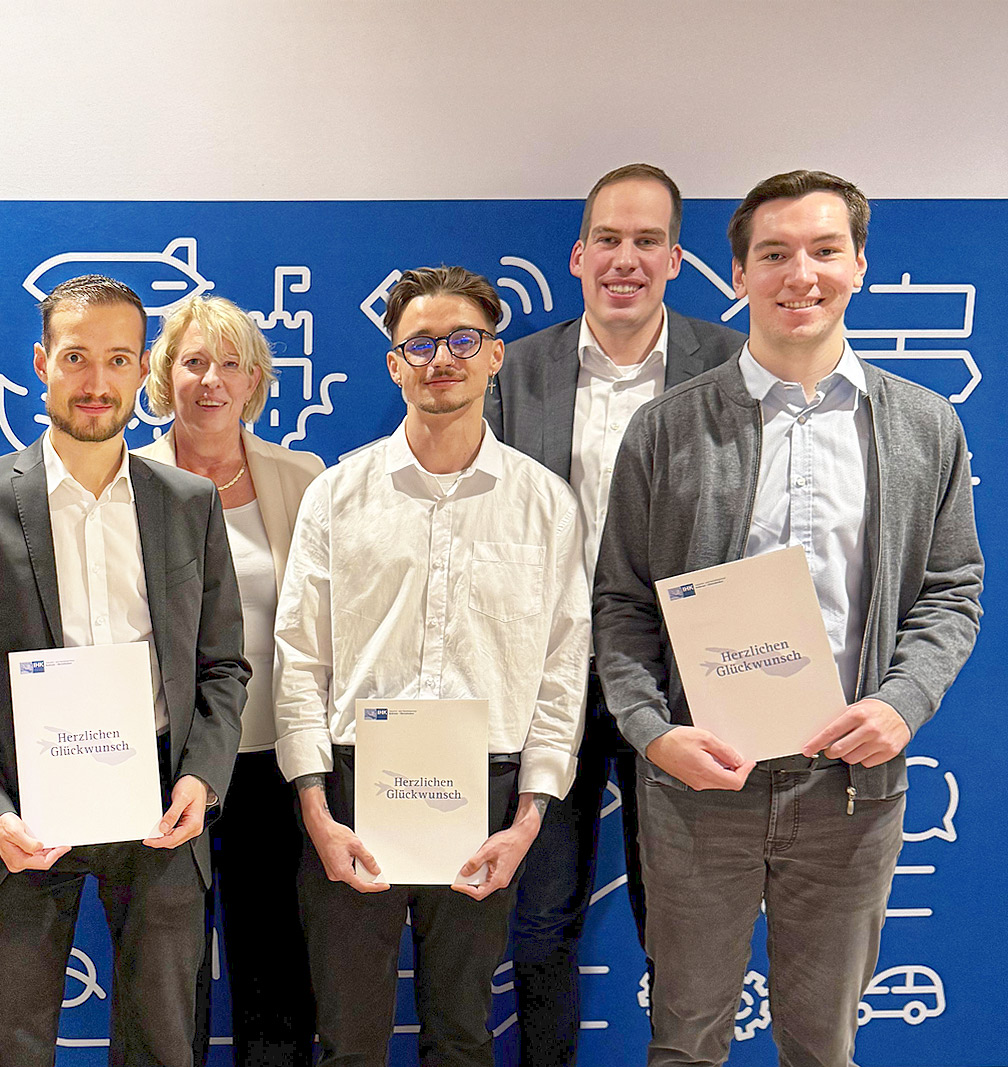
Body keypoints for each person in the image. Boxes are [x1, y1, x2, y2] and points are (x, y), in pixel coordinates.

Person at [594, 170, 983, 1066]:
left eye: (824, 250)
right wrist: (654, 731)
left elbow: (952, 591)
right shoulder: (665, 429)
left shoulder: (924, 426)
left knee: (822, 1046)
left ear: (859, 265)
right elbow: (621, 603)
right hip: (701, 784)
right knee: (685, 1042)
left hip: (849, 784)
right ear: (738, 274)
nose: (799, 274)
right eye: (773, 254)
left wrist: (901, 704)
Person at [0, 275, 249, 1067]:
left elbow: (223, 666)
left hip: (162, 807)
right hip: (25, 815)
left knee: (163, 1045)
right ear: (42, 363)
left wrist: (202, 778)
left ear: (142, 370)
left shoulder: (189, 500)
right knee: (18, 1047)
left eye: (118, 359)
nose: (97, 380)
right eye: (76, 357)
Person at [275, 265, 590, 1066]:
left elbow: (562, 673)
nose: (441, 358)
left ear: (495, 356)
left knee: (462, 1034)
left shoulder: (546, 504)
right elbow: (300, 656)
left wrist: (527, 820)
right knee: (349, 1040)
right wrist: (316, 808)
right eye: (419, 343)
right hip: (352, 786)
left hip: (487, 792)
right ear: (394, 363)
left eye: (463, 340)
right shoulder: (337, 495)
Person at [489, 162, 743, 1065]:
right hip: (543, 680)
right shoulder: (516, 370)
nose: (624, 259)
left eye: (646, 241)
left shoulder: (732, 366)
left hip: (681, 683)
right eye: (608, 239)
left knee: (678, 918)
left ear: (676, 258)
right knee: (539, 917)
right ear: (577, 255)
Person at [136, 295, 323, 1067]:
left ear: (254, 380)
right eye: (193, 362)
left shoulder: (302, 478)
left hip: (274, 759)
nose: (211, 379)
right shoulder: (127, 478)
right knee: (164, 968)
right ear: (163, 376)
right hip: (166, 761)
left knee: (275, 962)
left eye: (230, 363)